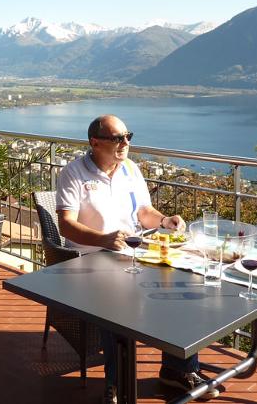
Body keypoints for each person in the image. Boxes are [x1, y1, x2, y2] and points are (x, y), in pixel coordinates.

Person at [56, 115, 219, 404]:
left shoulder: (131, 169)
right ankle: (116, 383)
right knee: (115, 302)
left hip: (131, 254)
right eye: (117, 138)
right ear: (95, 143)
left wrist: (165, 220)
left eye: (127, 136)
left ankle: (178, 370)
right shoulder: (74, 173)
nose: (125, 143)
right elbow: (66, 225)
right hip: (90, 259)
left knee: (180, 289)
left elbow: (144, 213)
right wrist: (103, 239)